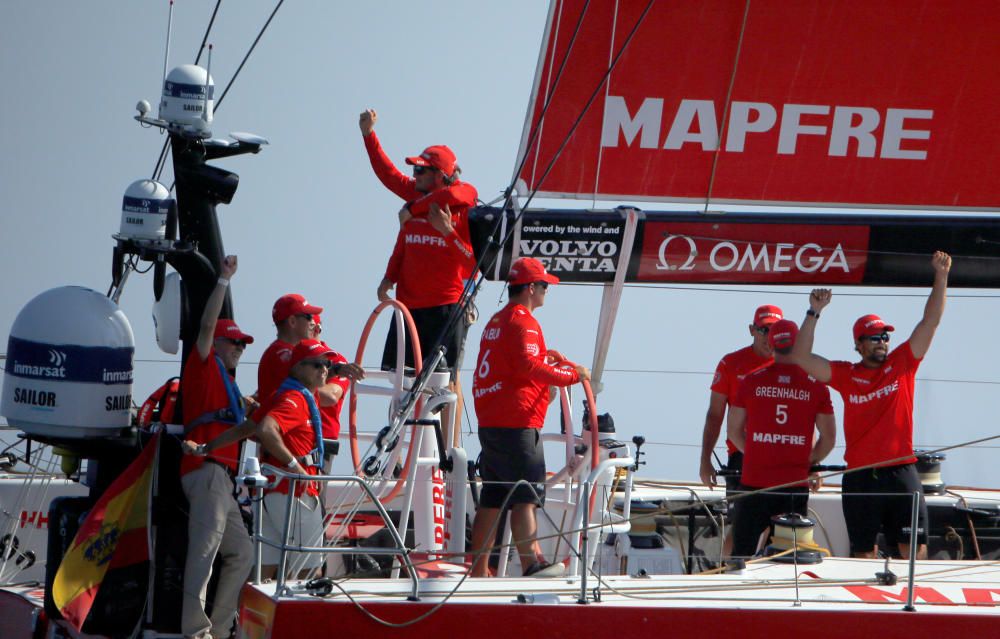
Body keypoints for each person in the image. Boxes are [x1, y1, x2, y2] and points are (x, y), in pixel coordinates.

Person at [791, 251, 952, 559]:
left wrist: (941, 276)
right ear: (859, 344)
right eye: (874, 337)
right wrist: (813, 312)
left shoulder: (903, 363)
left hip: (902, 471)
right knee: (863, 553)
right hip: (861, 475)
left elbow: (930, 321)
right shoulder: (846, 374)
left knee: (914, 551)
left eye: (885, 336)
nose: (882, 341)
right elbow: (801, 357)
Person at [469, 257, 590, 578]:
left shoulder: (496, 320)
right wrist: (572, 376)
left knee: (493, 497)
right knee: (526, 495)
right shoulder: (524, 322)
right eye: (545, 286)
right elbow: (527, 366)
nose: (547, 292)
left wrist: (546, 372)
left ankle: (479, 570)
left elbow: (515, 365)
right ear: (532, 288)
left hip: (491, 420)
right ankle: (531, 563)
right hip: (517, 423)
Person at [360, 108, 477, 389]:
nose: (415, 175)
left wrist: (444, 229)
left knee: (445, 383)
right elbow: (388, 174)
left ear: (440, 174)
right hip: (409, 307)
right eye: (415, 169)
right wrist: (368, 135)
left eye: (421, 170)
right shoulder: (415, 194)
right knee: (403, 383)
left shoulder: (462, 199)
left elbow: (470, 262)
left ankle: (445, 434)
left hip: (445, 308)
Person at [178, 255, 254, 639]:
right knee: (204, 554)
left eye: (243, 343)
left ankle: (221, 630)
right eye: (234, 341)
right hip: (205, 473)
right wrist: (223, 280)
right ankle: (195, 632)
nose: (240, 346)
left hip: (222, 480)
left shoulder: (231, 385)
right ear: (217, 343)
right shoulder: (203, 364)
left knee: (242, 554)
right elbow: (207, 324)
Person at [727, 319, 836, 558]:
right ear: (797, 343)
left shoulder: (751, 381)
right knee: (789, 558)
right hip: (793, 484)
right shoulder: (816, 386)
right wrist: (810, 462)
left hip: (754, 481)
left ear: (771, 343)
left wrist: (755, 452)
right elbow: (828, 438)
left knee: (740, 555)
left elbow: (733, 431)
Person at [252, 339, 338, 577]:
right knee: (309, 573)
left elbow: (248, 428)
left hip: (273, 493)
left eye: (327, 364)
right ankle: (304, 614)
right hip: (295, 493)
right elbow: (265, 429)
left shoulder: (283, 394)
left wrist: (207, 446)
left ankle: (239, 616)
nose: (324, 370)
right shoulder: (295, 399)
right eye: (317, 364)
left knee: (264, 572)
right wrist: (295, 466)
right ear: (298, 367)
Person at [699, 304, 784, 491]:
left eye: (774, 330)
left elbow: (804, 416)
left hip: (783, 457)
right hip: (742, 455)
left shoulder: (791, 364)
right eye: (764, 330)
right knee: (741, 520)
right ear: (752, 330)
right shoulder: (730, 363)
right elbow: (715, 415)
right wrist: (705, 461)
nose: (769, 336)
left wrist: (811, 463)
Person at [311, 314, 365, 467]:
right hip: (288, 437)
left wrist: (289, 390)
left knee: (312, 490)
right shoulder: (289, 357)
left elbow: (331, 396)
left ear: (316, 328)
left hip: (320, 442)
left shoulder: (336, 360)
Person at [258, 294, 323, 402]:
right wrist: (336, 372)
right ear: (292, 321)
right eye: (308, 317)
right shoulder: (282, 353)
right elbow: (319, 392)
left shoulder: (280, 351)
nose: (313, 322)